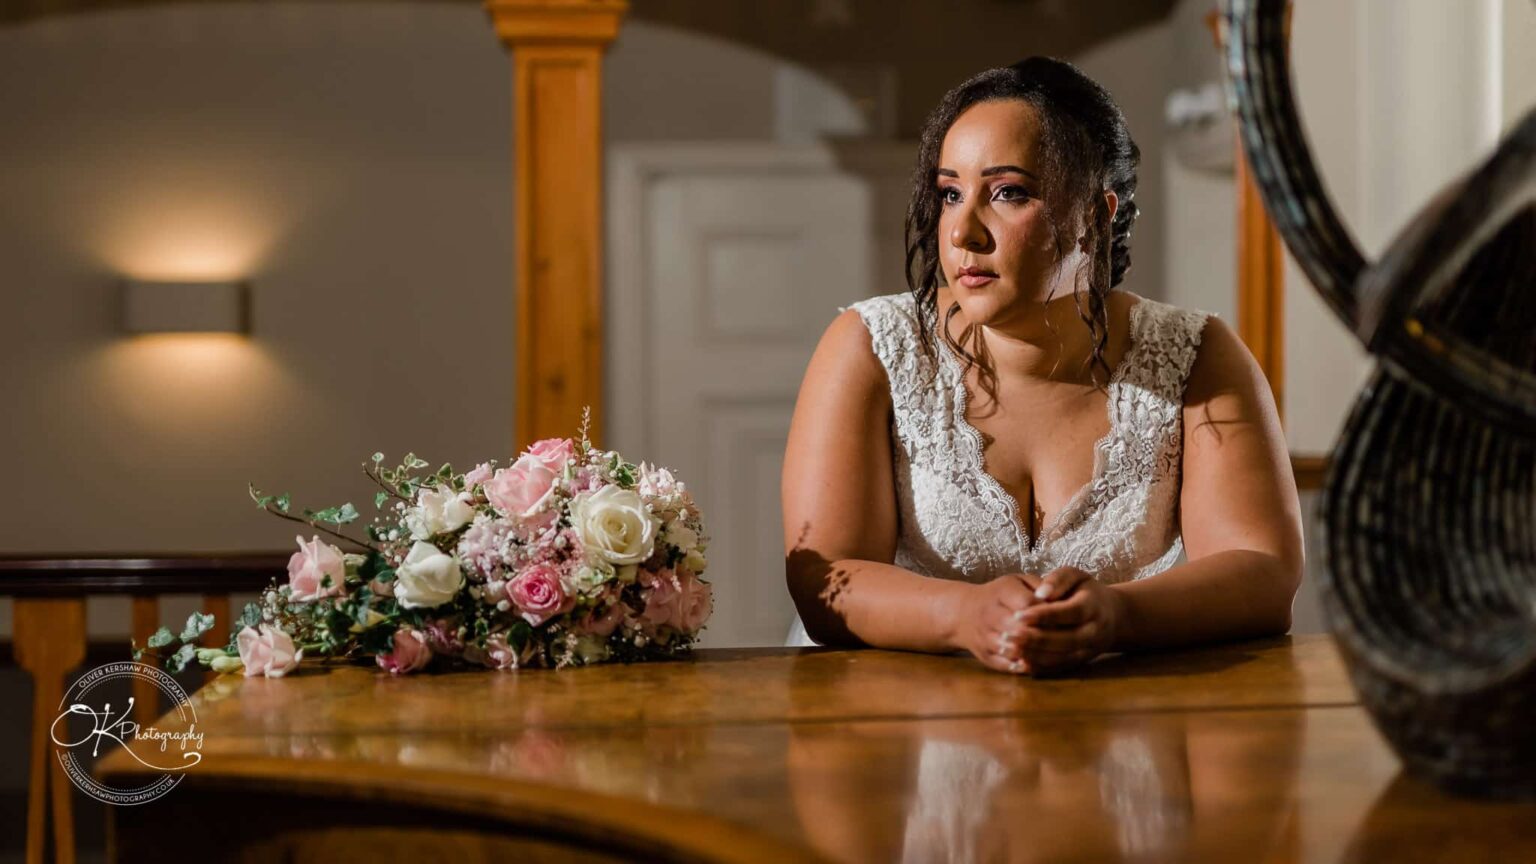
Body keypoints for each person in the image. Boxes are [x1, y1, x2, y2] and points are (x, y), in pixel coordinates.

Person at [781, 57, 1303, 674]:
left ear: (1095, 216)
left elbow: (1263, 571)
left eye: (1008, 192)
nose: (963, 233)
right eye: (950, 194)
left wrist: (1118, 615)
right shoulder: (870, 345)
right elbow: (824, 579)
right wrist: (964, 616)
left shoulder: (1197, 355)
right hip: (898, 712)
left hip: (1121, 712)